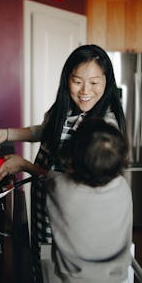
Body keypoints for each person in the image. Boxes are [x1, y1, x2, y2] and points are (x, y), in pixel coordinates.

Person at [0, 44, 127, 283]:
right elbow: (46, 130)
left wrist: (25, 165)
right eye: (77, 81)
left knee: (58, 272)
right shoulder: (65, 107)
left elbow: (77, 186)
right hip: (44, 201)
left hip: (71, 215)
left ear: (107, 82)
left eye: (94, 82)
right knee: (42, 264)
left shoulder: (104, 128)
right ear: (66, 79)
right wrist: (7, 134)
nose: (84, 91)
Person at [45, 117, 132, 283]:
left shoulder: (61, 188)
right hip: (116, 278)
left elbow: (50, 179)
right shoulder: (122, 186)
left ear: (73, 159)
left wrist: (25, 165)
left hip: (73, 279)